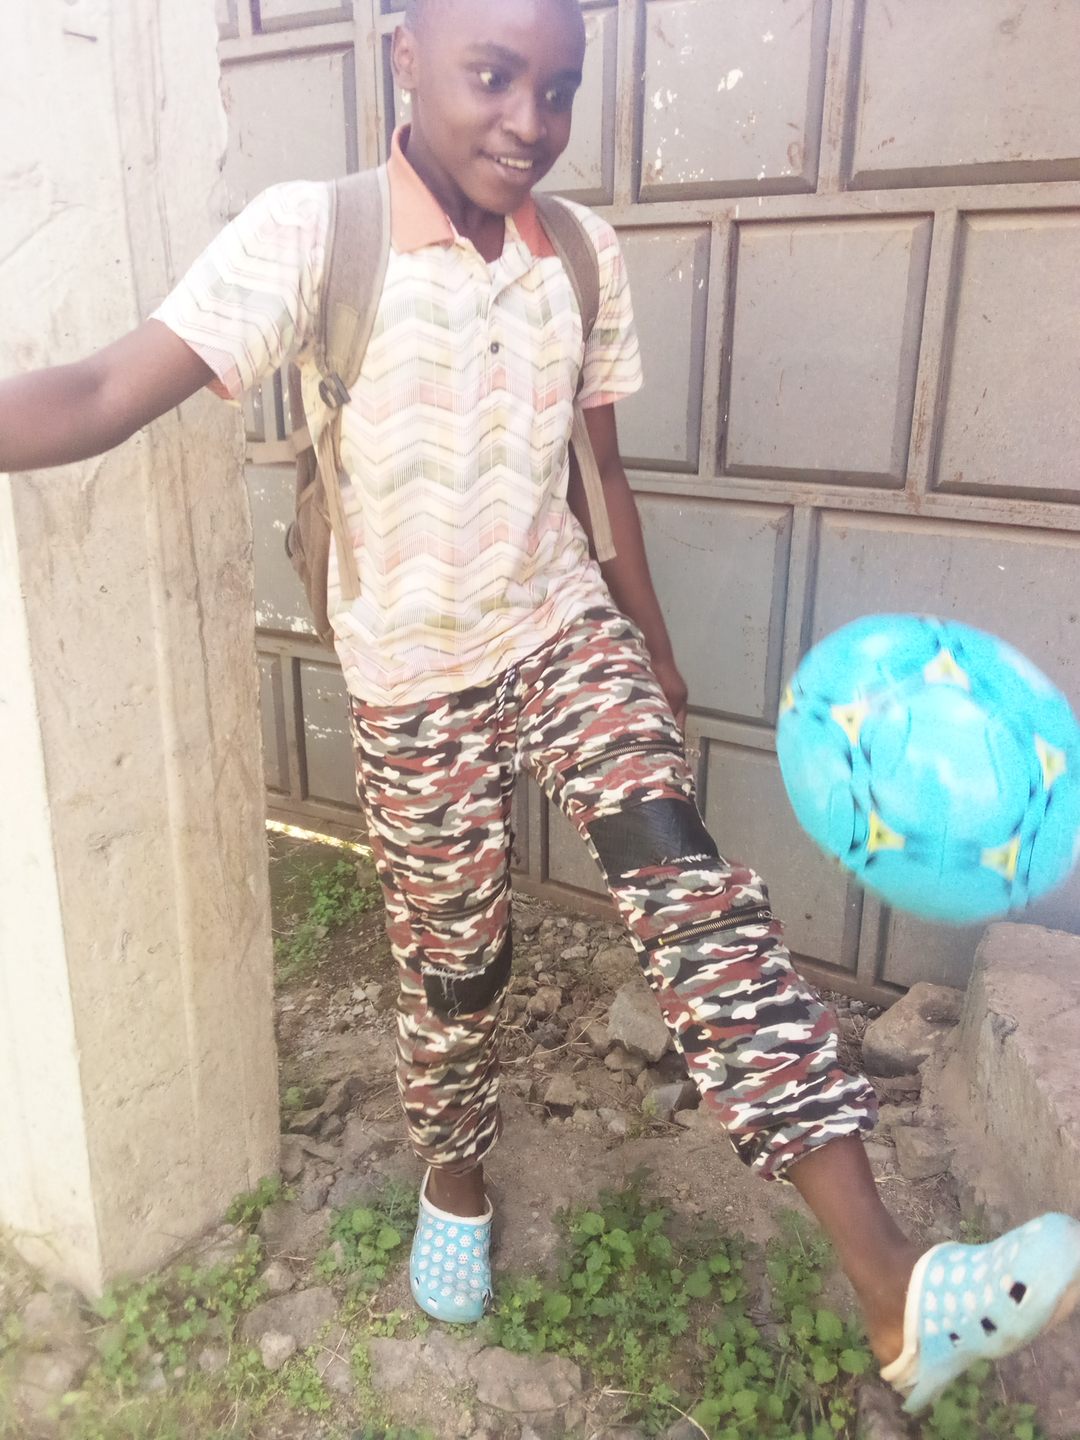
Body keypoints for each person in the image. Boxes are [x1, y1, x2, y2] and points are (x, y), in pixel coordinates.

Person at [2, 0, 1077, 1415]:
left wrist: (654, 650)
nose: (529, 121)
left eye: (558, 89)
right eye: (493, 77)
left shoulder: (578, 252)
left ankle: (896, 1287)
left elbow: (600, 473)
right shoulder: (313, 235)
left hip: (562, 632)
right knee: (455, 970)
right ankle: (454, 1176)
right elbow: (97, 386)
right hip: (411, 681)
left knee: (692, 893)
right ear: (405, 56)